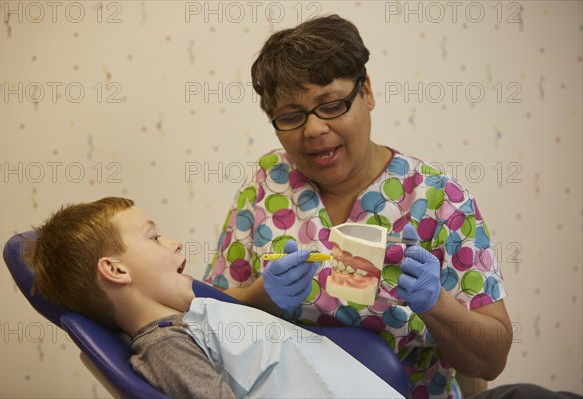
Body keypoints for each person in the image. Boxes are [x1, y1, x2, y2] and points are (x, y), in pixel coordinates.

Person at [203, 14, 513, 399]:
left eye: (330, 105)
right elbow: (207, 317)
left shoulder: (439, 201)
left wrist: (437, 305)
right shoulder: (267, 184)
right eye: (290, 116)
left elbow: (491, 360)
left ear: (366, 91)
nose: (313, 129)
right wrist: (259, 297)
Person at [29, 196, 404, 399]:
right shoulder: (166, 347)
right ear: (116, 270)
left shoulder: (193, 316)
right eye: (153, 237)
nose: (173, 242)